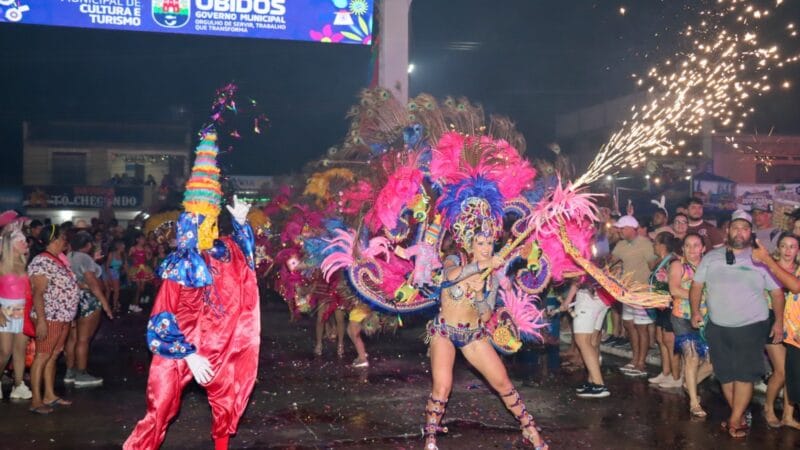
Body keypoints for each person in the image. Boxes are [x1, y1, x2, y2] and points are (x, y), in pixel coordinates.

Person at [124, 132, 260, 450]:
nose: (208, 227)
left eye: (212, 220)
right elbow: (161, 317)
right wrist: (188, 353)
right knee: (160, 407)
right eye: (202, 221)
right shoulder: (182, 264)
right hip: (180, 343)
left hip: (217, 339)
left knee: (227, 393)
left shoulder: (224, 251)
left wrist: (241, 224)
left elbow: (246, 261)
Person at [689, 209, 784, 438]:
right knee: (726, 374)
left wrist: (779, 322)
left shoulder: (759, 258)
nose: (739, 232)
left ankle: (734, 420)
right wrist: (694, 311)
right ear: (728, 230)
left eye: (744, 228)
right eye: (735, 227)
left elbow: (777, 293)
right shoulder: (711, 257)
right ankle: (738, 414)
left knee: (744, 375)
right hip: (718, 326)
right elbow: (696, 286)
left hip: (751, 327)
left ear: (750, 232)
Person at [27, 224, 81, 414]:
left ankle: (49, 395)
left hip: (62, 317)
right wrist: (41, 320)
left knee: (53, 356)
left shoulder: (57, 260)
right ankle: (36, 400)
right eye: (63, 238)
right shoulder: (42, 261)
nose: (66, 241)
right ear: (54, 240)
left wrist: (71, 315)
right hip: (49, 316)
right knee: (42, 356)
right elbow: (38, 293)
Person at [669, 232, 713, 417]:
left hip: (706, 318)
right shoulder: (678, 265)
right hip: (682, 317)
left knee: (714, 361)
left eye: (696, 245)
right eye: (688, 246)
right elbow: (674, 289)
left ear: (703, 248)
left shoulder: (710, 266)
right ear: (683, 248)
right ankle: (694, 402)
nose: (692, 249)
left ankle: (689, 383)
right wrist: (699, 295)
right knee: (692, 357)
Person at [610, 215, 657, 377]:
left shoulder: (645, 243)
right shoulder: (621, 245)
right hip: (627, 292)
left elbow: (653, 265)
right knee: (629, 326)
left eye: (622, 228)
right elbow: (610, 262)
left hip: (642, 292)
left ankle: (641, 363)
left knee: (641, 328)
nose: (620, 231)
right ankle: (634, 359)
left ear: (631, 228)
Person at [760, 233, 799, 428]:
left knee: (792, 372)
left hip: (793, 327)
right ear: (778, 248)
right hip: (771, 321)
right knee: (782, 371)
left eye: (792, 246)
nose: (788, 250)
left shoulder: (798, 270)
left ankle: (788, 416)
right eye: (784, 246)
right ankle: (768, 407)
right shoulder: (767, 267)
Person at [65, 231, 113, 387]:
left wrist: (93, 262)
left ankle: (70, 372)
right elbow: (93, 283)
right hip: (88, 300)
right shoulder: (84, 258)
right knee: (83, 339)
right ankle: (81, 374)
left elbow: (77, 276)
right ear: (87, 244)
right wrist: (105, 304)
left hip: (73, 298)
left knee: (73, 338)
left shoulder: (69, 256)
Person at [0, 221, 34, 400]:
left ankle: (18, 385)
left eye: (25, 240)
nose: (25, 243)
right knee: (5, 351)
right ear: (11, 245)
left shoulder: (25, 264)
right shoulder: (2, 265)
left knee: (20, 350)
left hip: (23, 311)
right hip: (4, 311)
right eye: (21, 241)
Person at [560, 279, 611, 398]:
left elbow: (578, 277)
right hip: (603, 296)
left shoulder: (584, 259)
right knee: (592, 342)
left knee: (583, 341)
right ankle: (592, 381)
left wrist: (567, 301)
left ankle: (599, 385)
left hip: (588, 297)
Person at [648, 232, 682, 389]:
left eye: (655, 243)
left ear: (662, 245)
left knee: (670, 341)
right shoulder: (661, 261)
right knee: (661, 338)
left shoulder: (673, 261)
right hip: (660, 305)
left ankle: (676, 376)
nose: (653, 246)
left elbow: (674, 283)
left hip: (669, 305)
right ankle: (666, 372)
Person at [127, 233, 153, 313]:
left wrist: (150, 252)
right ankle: (134, 305)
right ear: (137, 239)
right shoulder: (133, 248)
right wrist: (132, 258)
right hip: (136, 269)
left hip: (143, 269)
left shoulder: (145, 248)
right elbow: (128, 257)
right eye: (142, 239)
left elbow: (148, 258)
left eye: (144, 239)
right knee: (137, 289)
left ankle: (134, 304)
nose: (143, 240)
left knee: (141, 288)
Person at [104, 239, 127, 315]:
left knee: (116, 291)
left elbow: (125, 267)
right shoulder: (112, 254)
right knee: (109, 290)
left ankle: (114, 306)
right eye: (123, 245)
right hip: (108, 271)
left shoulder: (123, 255)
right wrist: (109, 277)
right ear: (118, 246)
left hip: (116, 272)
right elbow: (107, 266)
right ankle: (107, 306)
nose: (124, 246)